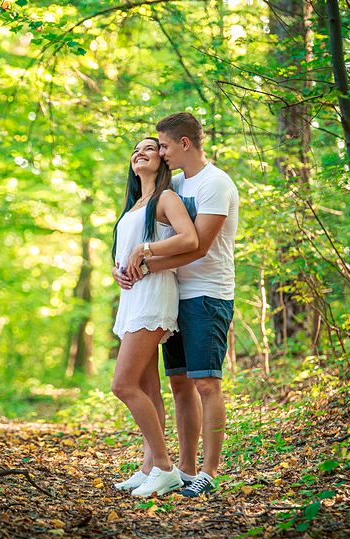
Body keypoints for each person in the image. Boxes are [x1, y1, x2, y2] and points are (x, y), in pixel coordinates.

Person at [114, 113, 239, 498]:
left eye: (163, 146)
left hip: (207, 293)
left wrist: (145, 258)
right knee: (179, 385)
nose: (159, 152)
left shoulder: (216, 183)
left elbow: (197, 245)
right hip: (173, 293)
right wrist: (131, 268)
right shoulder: (178, 182)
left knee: (206, 383)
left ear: (184, 144)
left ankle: (208, 471)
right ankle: (180, 469)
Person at [110, 136, 199, 497]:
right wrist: (115, 271)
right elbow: (124, 255)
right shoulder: (134, 206)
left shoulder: (166, 198)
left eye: (149, 148)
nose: (140, 153)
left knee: (123, 385)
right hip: (130, 298)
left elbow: (189, 238)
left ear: (162, 160)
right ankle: (149, 468)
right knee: (147, 387)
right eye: (135, 150)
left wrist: (145, 250)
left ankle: (164, 467)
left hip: (154, 296)